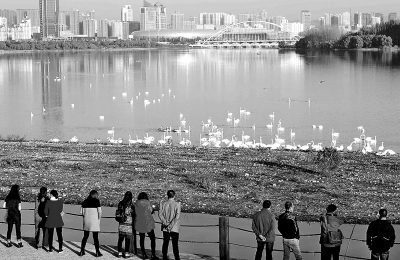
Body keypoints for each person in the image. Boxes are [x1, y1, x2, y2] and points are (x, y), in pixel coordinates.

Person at [134, 192, 158, 260]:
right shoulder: (147, 203)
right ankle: (153, 254)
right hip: (148, 223)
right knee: (152, 238)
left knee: (142, 238)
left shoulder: (136, 203)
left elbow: (135, 212)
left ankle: (143, 254)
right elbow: (150, 210)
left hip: (139, 222)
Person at [79, 190, 103, 257]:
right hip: (94, 221)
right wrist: (98, 219)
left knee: (85, 237)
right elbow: (100, 212)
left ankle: (81, 251)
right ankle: (97, 252)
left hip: (86, 221)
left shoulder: (85, 201)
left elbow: (81, 212)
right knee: (95, 237)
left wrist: (86, 216)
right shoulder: (97, 201)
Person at [159, 190, 181, 260]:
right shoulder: (177, 204)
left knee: (165, 243)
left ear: (167, 195)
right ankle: (177, 258)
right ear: (174, 196)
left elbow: (160, 214)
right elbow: (177, 216)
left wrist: (165, 223)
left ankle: (164, 257)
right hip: (174, 227)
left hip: (165, 227)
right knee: (175, 244)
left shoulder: (163, 203)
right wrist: (170, 225)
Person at [117, 191, 135, 258]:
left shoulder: (120, 203)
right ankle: (126, 253)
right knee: (127, 239)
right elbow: (133, 214)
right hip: (129, 224)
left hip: (121, 223)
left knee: (120, 239)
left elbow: (118, 212)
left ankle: (119, 252)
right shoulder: (131, 205)